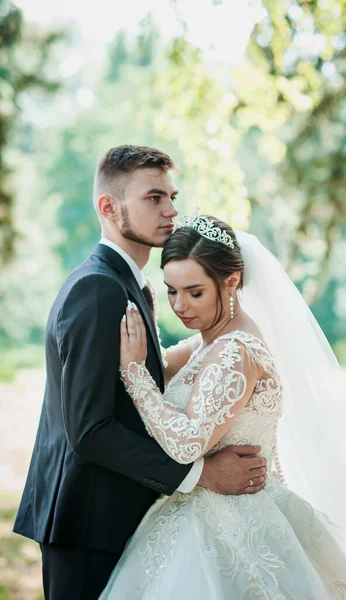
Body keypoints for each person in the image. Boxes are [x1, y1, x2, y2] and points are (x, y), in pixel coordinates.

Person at [13, 147, 267, 600]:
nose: (171, 209)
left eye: (172, 195)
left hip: (118, 518)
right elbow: (90, 430)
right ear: (108, 207)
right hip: (90, 523)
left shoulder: (129, 285)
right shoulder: (98, 289)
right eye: (153, 198)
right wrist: (201, 476)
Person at [101, 214, 346, 599]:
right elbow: (166, 368)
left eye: (195, 292)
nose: (181, 306)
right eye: (172, 290)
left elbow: (188, 443)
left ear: (232, 281)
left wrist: (133, 374)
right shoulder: (208, 342)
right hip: (198, 512)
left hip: (231, 522)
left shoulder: (235, 350)